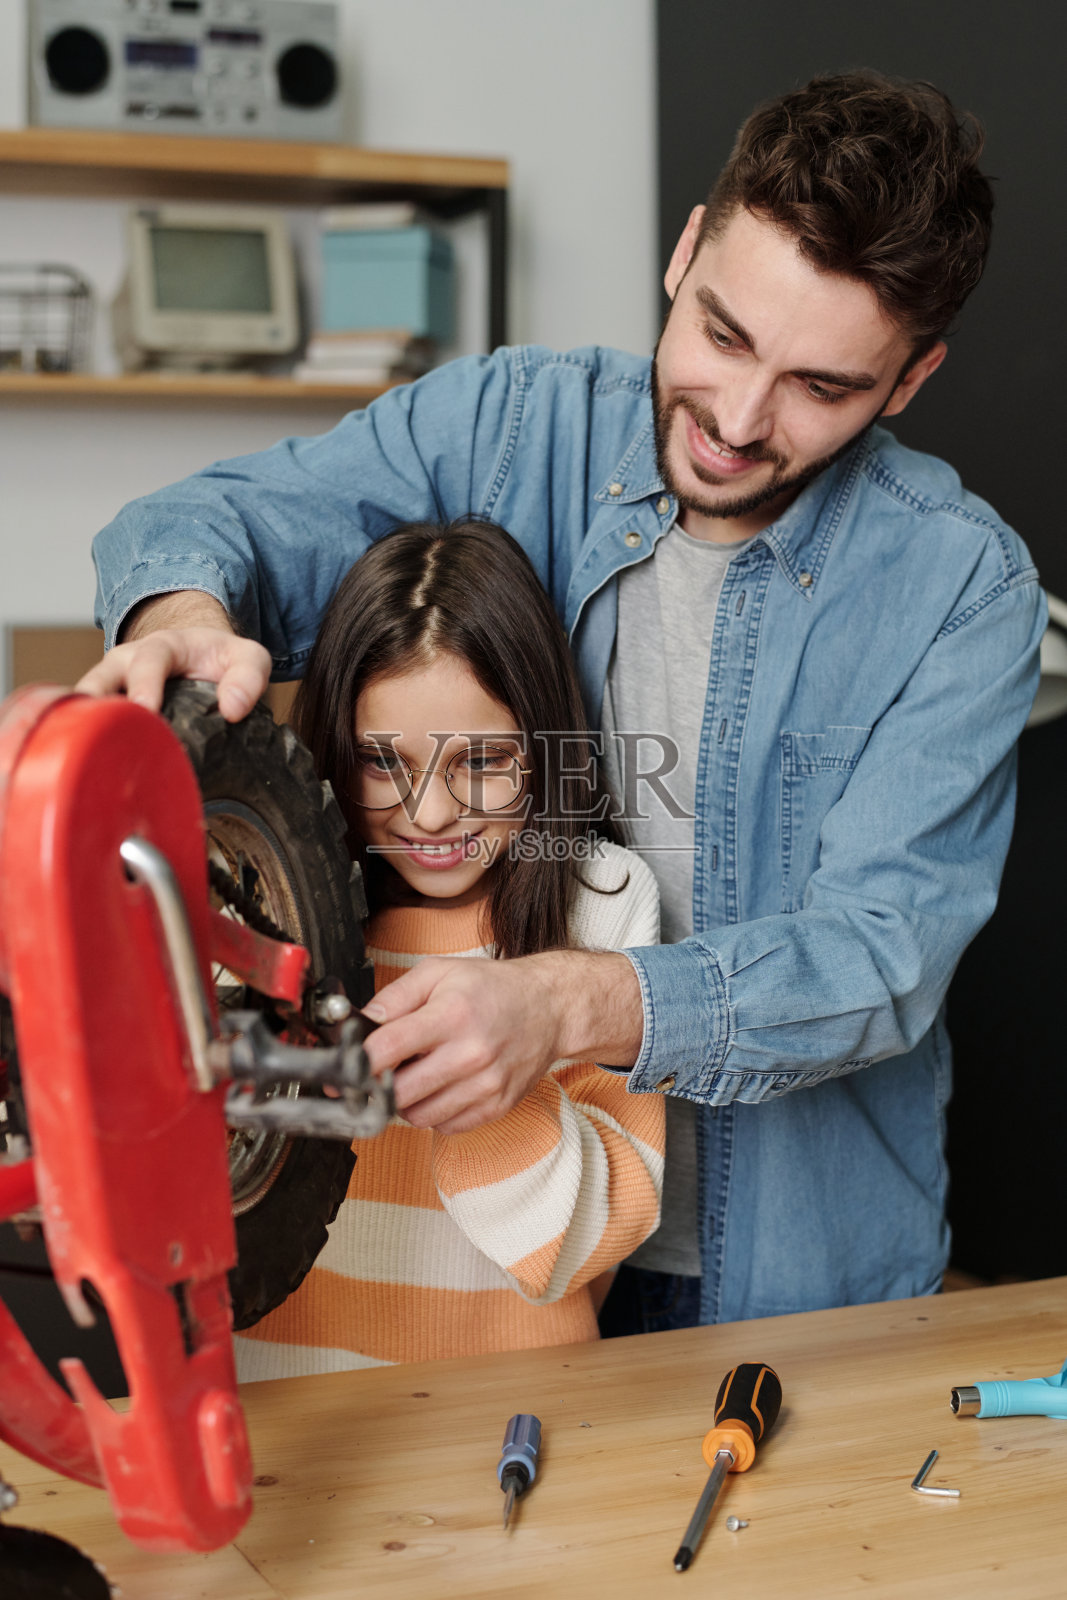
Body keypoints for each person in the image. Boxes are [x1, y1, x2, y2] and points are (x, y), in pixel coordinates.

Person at [83, 71, 1046, 1334]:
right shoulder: (506, 424)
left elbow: (879, 953)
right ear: (685, 250)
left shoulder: (961, 586)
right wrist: (182, 623)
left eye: (823, 388)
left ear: (908, 381)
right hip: (493, 1291)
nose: (735, 424)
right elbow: (204, 524)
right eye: (723, 334)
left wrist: (560, 1007)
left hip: (802, 1285)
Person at [231, 518, 663, 1377]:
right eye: (383, 764)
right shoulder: (262, 901)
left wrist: (487, 1073)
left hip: (513, 1410)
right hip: (283, 1412)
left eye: (482, 762)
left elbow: (577, 1248)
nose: (430, 817)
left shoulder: (603, 901)